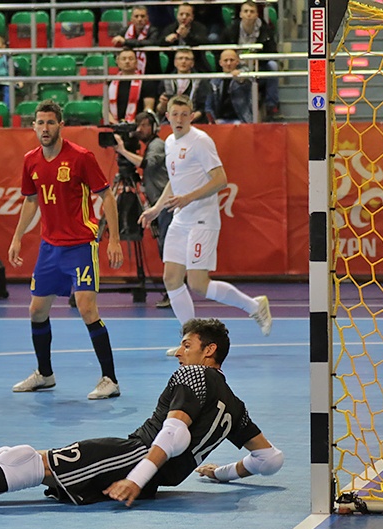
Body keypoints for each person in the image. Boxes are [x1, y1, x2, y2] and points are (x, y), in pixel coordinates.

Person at [0, 318, 284, 510]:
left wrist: (134, 477)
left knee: (28, 463)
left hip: (133, 456)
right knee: (14, 455)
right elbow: (270, 460)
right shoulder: (234, 404)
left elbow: (173, 437)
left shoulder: (194, 375)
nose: (179, 351)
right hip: (148, 471)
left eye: (186, 343)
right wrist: (222, 471)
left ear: (207, 350)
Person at [9, 99, 125, 400]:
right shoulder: (31, 160)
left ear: (61, 125)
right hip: (50, 247)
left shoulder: (81, 157)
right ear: (33, 126)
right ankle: (45, 374)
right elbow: (31, 200)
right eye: (40, 122)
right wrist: (18, 236)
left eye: (50, 122)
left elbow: (107, 196)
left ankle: (110, 379)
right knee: (36, 311)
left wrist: (113, 238)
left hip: (80, 246)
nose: (45, 128)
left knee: (87, 307)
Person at [138, 95, 272, 353]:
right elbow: (175, 180)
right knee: (171, 279)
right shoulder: (168, 142)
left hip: (202, 219)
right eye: (174, 114)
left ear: (191, 116)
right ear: (167, 116)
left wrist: (188, 198)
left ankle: (255, 307)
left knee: (198, 283)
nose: (178, 119)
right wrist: (156, 208)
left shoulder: (200, 141)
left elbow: (220, 179)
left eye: (183, 114)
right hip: (181, 218)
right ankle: (189, 341)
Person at [113, 111, 172, 308]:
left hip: (166, 205)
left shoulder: (157, 145)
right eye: (138, 125)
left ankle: (173, 293)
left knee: (168, 250)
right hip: (160, 205)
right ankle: (172, 292)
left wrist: (122, 151)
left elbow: (146, 164)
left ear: (155, 127)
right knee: (165, 248)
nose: (140, 130)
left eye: (145, 125)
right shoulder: (150, 145)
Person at [222, 0, 281, 120]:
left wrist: (258, 59)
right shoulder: (231, 30)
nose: (248, 14)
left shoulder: (265, 31)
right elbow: (222, 51)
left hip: (259, 65)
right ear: (240, 14)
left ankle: (272, 105)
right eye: (246, 11)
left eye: (252, 11)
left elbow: (273, 52)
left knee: (273, 66)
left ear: (256, 14)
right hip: (236, 65)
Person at [103, 47, 156, 124]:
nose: (127, 61)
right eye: (123, 59)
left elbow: (148, 109)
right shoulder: (110, 82)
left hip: (139, 126)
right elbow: (105, 109)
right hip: (114, 125)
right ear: (117, 62)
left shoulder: (146, 82)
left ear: (136, 62)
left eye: (131, 59)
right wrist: (116, 124)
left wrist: (133, 124)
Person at [156, 48, 210, 122]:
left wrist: (188, 120)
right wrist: (163, 104)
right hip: (170, 121)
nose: (183, 61)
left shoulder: (201, 81)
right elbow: (160, 110)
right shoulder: (166, 80)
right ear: (175, 62)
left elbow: (202, 108)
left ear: (192, 63)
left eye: (187, 59)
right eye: (180, 58)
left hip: (194, 121)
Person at [110, 5, 162, 75]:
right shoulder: (124, 31)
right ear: (131, 18)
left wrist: (126, 42)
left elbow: (151, 43)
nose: (139, 19)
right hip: (127, 71)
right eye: (136, 16)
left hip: (150, 72)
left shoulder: (153, 31)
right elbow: (116, 51)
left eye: (142, 16)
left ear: (147, 18)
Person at [160, 3, 213, 72]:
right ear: (177, 16)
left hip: (196, 64)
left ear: (192, 17)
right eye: (181, 14)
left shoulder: (200, 27)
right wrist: (166, 40)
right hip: (174, 65)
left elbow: (204, 42)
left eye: (187, 15)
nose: (184, 17)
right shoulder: (170, 28)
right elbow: (159, 43)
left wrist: (187, 36)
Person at [206, 49, 253, 124]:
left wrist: (240, 75)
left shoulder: (243, 77)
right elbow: (208, 105)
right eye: (225, 60)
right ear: (220, 63)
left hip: (241, 120)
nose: (228, 63)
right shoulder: (214, 81)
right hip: (219, 120)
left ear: (237, 62)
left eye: (232, 60)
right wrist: (213, 120)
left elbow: (247, 75)